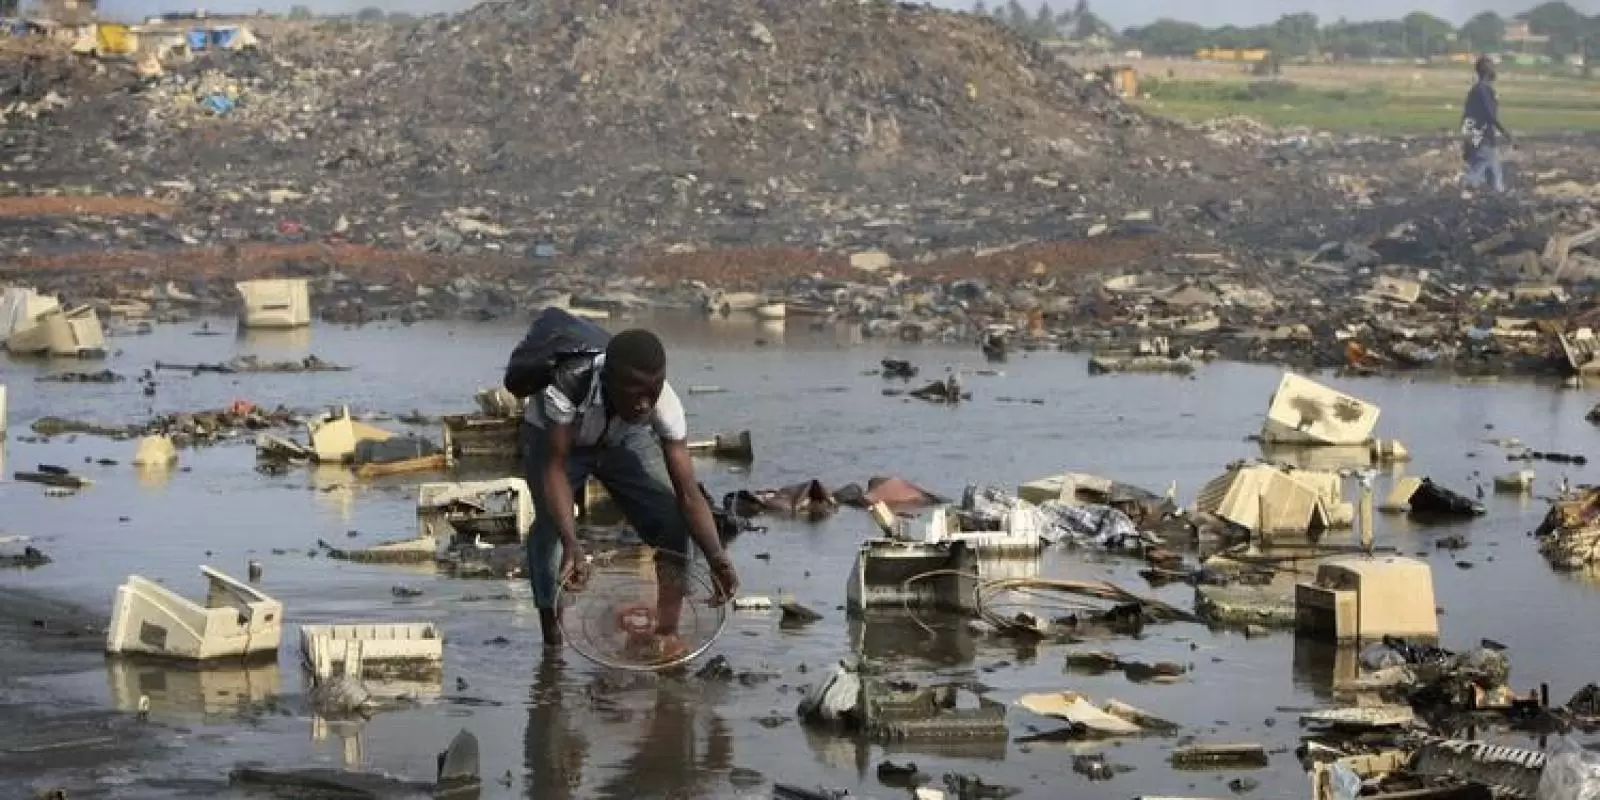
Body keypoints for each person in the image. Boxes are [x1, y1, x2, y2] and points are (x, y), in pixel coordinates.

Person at [517, 325, 740, 655]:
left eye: (653, 391)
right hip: (559, 441)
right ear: (608, 381)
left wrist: (717, 557)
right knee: (551, 529)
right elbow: (555, 469)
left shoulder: (663, 405)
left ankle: (666, 633)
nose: (645, 405)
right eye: (636, 393)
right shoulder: (567, 385)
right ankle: (553, 640)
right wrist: (572, 542)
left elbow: (688, 494)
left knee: (673, 520)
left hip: (621, 438)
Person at [1461, 55, 1511, 194]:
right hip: (1483, 138)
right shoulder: (1483, 90)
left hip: (1479, 138)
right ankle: (1465, 195)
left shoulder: (1476, 90)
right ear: (1488, 71)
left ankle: (1497, 200)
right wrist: (1506, 133)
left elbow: (1467, 116)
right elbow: (1489, 115)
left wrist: (1467, 141)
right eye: (1492, 67)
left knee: (1494, 174)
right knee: (1478, 171)